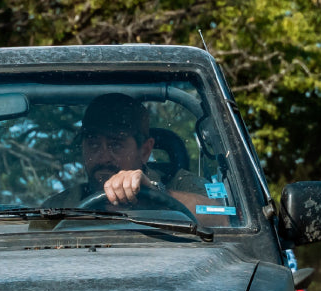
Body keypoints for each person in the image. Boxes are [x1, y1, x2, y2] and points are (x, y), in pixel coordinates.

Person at [44, 93, 216, 216]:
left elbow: (223, 217)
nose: (103, 157)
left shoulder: (181, 184)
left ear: (145, 150)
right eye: (93, 144)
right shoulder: (61, 206)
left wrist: (156, 197)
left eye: (116, 145)